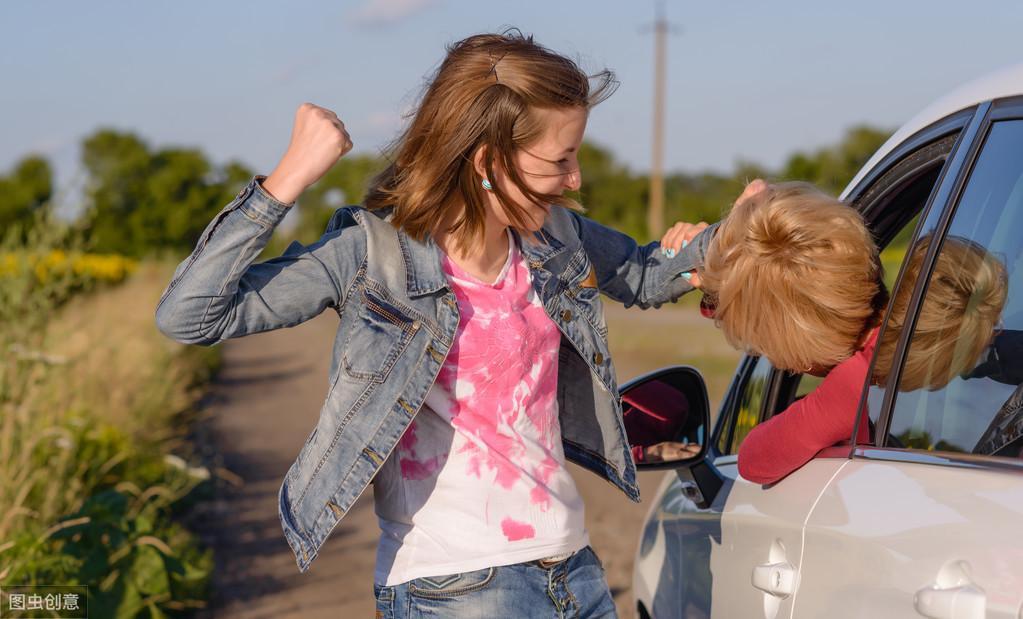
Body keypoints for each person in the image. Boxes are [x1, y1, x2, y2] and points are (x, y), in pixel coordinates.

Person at [155, 31, 711, 618]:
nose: (575, 179)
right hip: (453, 588)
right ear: (488, 162)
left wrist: (747, 229)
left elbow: (650, 274)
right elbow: (190, 315)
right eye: (560, 160)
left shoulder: (555, 239)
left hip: (575, 572)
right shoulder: (371, 254)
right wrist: (286, 180)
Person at [658, 180, 1007, 484]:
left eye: (764, 338)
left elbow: (752, 460)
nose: (772, 354)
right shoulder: (965, 353)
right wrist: (725, 261)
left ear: (798, 345)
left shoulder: (848, 391)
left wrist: (719, 263)